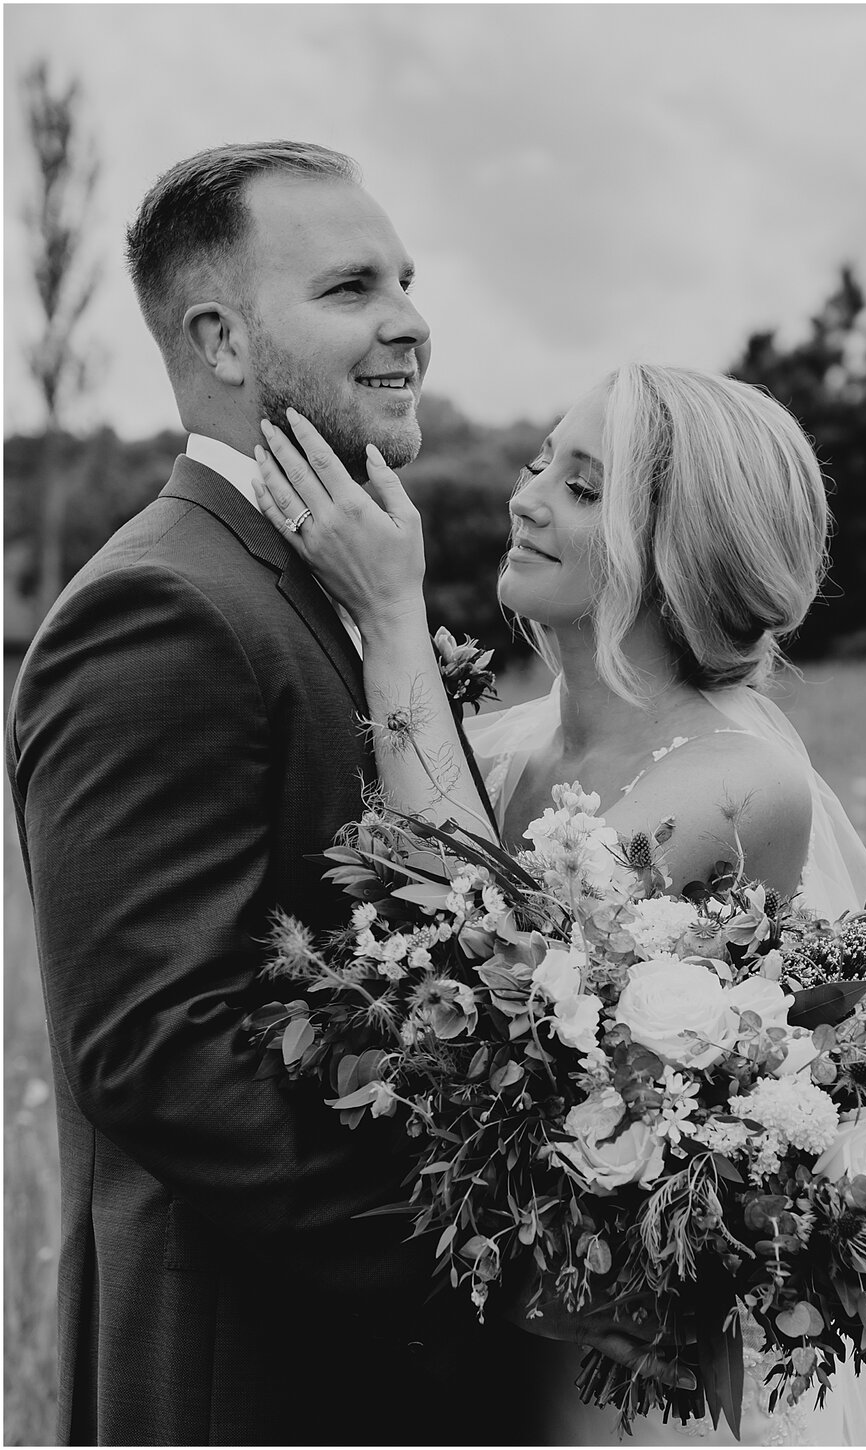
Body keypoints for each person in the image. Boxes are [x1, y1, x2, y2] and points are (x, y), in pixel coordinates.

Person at [252, 362, 866, 1445]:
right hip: (509, 1322)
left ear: (677, 552)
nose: (526, 494)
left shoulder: (738, 778)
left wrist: (391, 612)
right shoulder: (499, 749)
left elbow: (473, 949)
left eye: (585, 488)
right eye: (540, 460)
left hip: (632, 1378)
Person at [6, 139, 557, 1447]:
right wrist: (454, 1252)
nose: (411, 321)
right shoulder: (161, 608)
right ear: (224, 339)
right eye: (353, 287)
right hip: (257, 1367)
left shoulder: (324, 575)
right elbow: (156, 1039)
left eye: (408, 281)